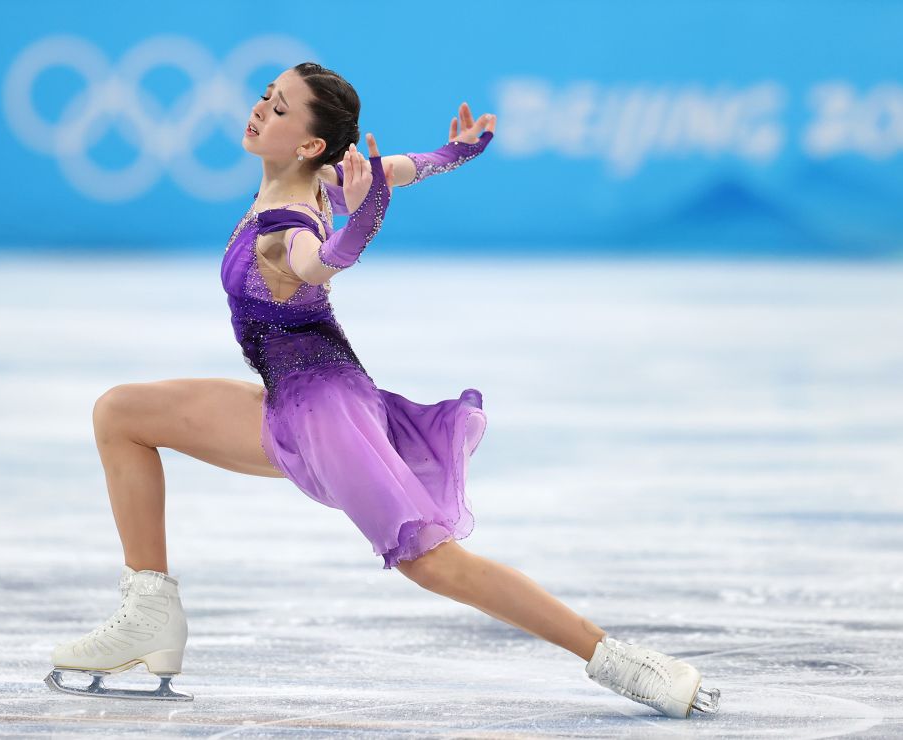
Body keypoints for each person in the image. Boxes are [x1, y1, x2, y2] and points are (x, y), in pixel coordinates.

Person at [45, 62, 720, 718]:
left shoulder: (291, 222)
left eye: (278, 107)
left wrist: (361, 226)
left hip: (328, 411)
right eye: (265, 95)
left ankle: (622, 661)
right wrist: (453, 152)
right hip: (293, 397)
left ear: (309, 143)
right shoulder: (323, 179)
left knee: (433, 563)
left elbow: (321, 259)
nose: (259, 109)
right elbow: (397, 168)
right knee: (123, 413)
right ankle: (149, 616)